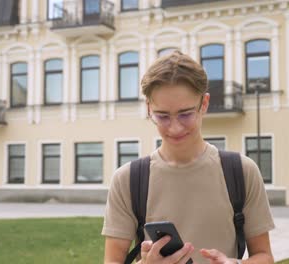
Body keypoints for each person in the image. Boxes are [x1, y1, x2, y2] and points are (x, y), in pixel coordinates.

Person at [102, 50, 275, 264]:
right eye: (162, 116)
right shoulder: (128, 180)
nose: (175, 128)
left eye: (185, 114)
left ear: (204, 104)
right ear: (148, 108)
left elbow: (264, 256)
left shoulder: (242, 171)